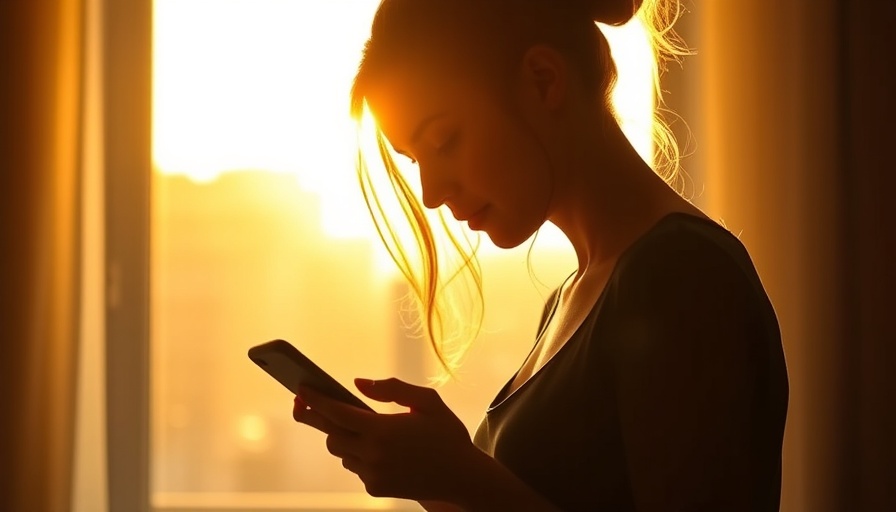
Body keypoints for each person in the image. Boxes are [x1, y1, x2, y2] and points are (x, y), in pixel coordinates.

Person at [291, 0, 789, 510]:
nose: (431, 192)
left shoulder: (681, 274)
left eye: (444, 141)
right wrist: (436, 478)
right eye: (416, 160)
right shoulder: (571, 298)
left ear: (544, 81)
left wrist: (465, 479)